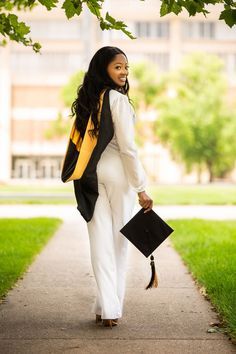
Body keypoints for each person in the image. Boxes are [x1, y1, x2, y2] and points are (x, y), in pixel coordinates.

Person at [69, 46, 153, 328]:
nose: (124, 72)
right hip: (118, 173)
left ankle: (105, 305)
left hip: (91, 175)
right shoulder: (118, 100)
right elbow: (128, 149)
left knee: (99, 241)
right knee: (118, 243)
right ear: (104, 68)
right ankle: (111, 309)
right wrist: (141, 187)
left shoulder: (88, 101)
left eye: (125, 67)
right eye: (118, 66)